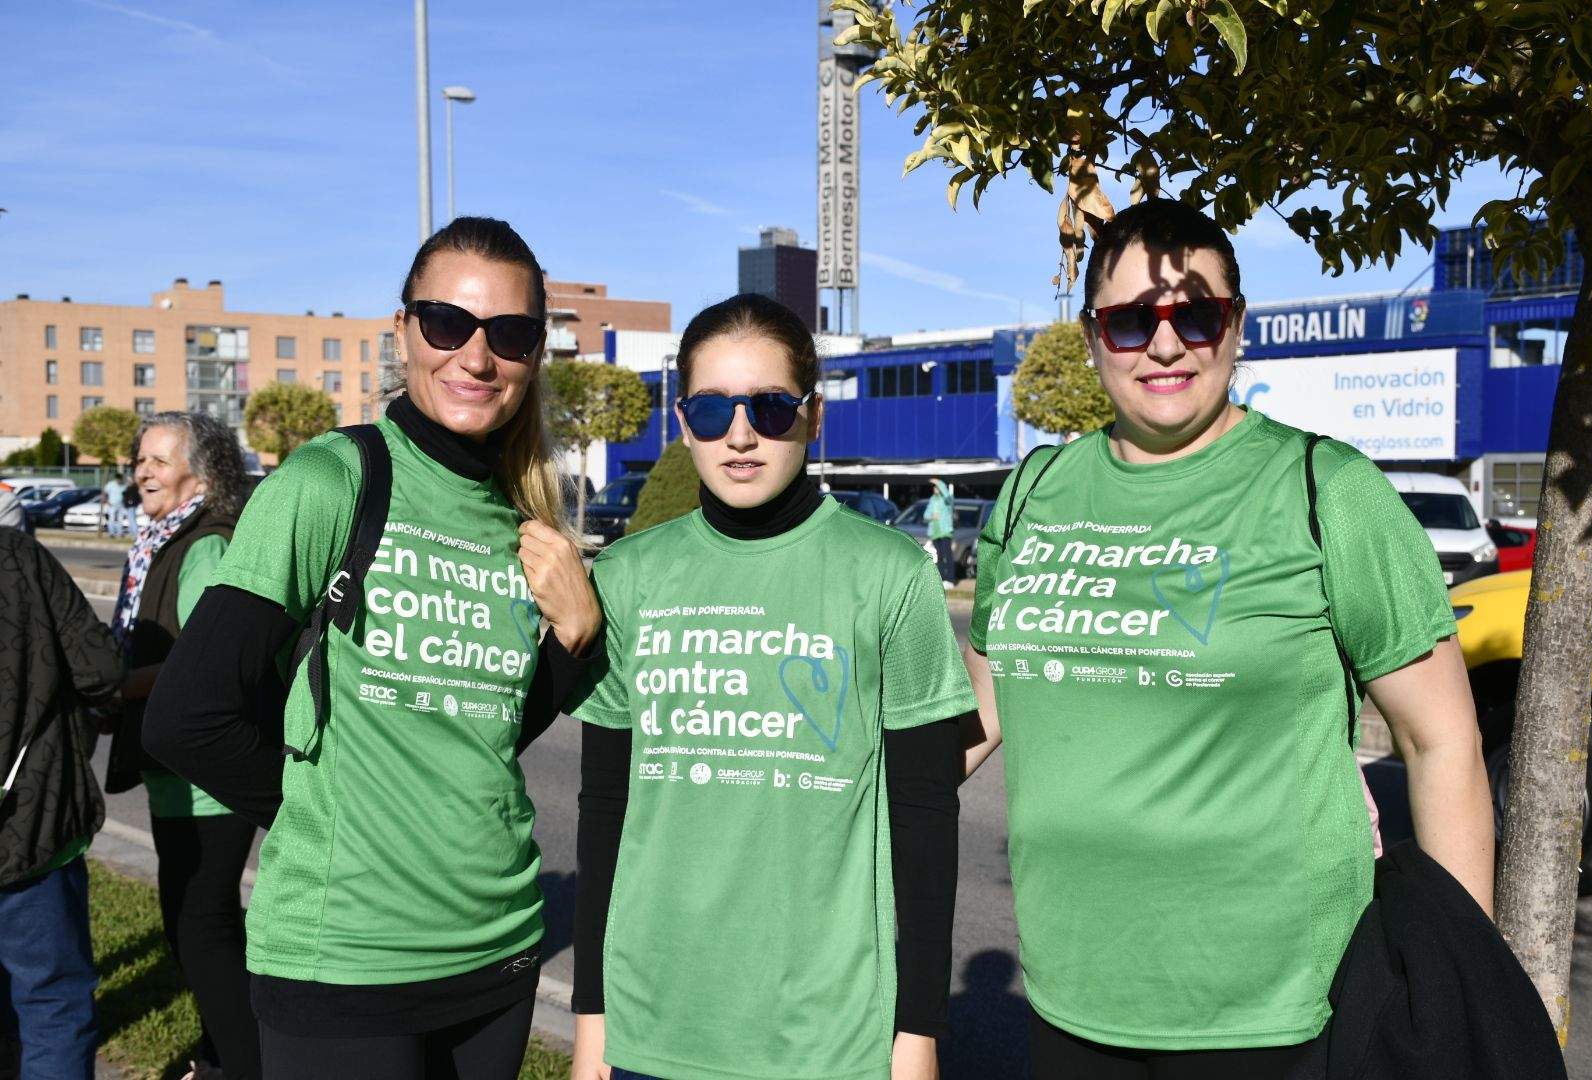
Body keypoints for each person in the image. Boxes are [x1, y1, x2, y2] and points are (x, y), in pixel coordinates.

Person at [962, 199, 1494, 1079]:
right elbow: (979, 714)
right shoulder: (1032, 495)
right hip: (1073, 990)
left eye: (1196, 315)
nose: (1166, 344)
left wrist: (1459, 991)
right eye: (1132, 321)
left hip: (1279, 1012)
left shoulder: (1328, 490)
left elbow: (1442, 742)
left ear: (1236, 327)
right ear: (1093, 337)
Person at [145, 216, 601, 1080]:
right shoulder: (331, 481)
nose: (477, 356)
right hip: (345, 957)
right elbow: (187, 718)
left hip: (497, 951)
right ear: (403, 332)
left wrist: (573, 641)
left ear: (535, 353)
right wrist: (333, 822)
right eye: (448, 324)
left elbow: (485, 733)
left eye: (509, 334)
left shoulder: (520, 520)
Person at [567, 293, 976, 1080]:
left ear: (813, 416)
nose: (741, 433)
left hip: (830, 1038)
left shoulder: (890, 575)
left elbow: (925, 816)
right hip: (653, 1026)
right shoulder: (627, 576)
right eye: (712, 409)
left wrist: (917, 1033)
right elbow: (605, 810)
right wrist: (593, 1022)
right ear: (683, 422)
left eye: (771, 406)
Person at [104, 411, 254, 1080]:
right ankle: (222, 1054)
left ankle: (244, 1064)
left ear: (204, 475)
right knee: (192, 929)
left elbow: (199, 665)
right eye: (141, 459)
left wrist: (110, 688)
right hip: (176, 777)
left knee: (202, 931)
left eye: (159, 461)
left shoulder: (206, 547)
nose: (142, 471)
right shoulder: (159, 542)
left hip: (209, 782)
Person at [0, 528, 124, 1078]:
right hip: (33, 829)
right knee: (52, 1004)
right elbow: (102, 670)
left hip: (33, 833)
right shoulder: (17, 556)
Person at [923, 477, 956, 586]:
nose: (935, 488)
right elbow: (925, 515)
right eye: (934, 487)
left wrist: (939, 482)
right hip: (935, 533)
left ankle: (950, 580)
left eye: (937, 487)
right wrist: (932, 516)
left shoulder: (947, 499)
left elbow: (946, 494)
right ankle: (942, 579)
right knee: (940, 556)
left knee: (948, 555)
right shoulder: (932, 499)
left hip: (945, 531)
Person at [102, 471, 125, 536]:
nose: (119, 481)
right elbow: (104, 493)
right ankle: (111, 533)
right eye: (118, 479)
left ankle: (119, 532)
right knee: (111, 519)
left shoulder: (123, 485)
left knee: (120, 519)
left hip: (120, 505)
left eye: (120, 480)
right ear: (116, 479)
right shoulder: (110, 484)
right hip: (112, 504)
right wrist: (107, 501)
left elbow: (124, 494)